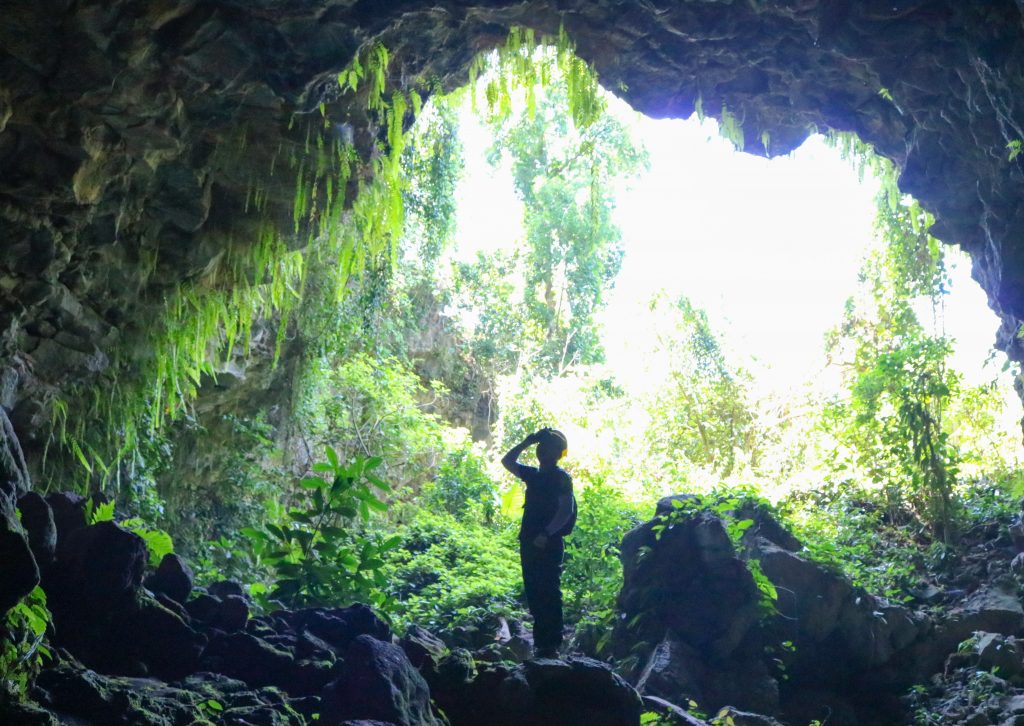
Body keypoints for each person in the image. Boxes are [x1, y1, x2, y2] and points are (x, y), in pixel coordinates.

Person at [501, 427, 575, 659]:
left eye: (549, 447)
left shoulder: (561, 478)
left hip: (549, 542)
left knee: (549, 591)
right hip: (530, 541)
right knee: (534, 590)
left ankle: (551, 644)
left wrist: (547, 533)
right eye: (541, 447)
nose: (543, 451)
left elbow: (566, 509)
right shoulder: (533, 474)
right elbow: (507, 460)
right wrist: (527, 441)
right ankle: (542, 644)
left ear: (558, 453)